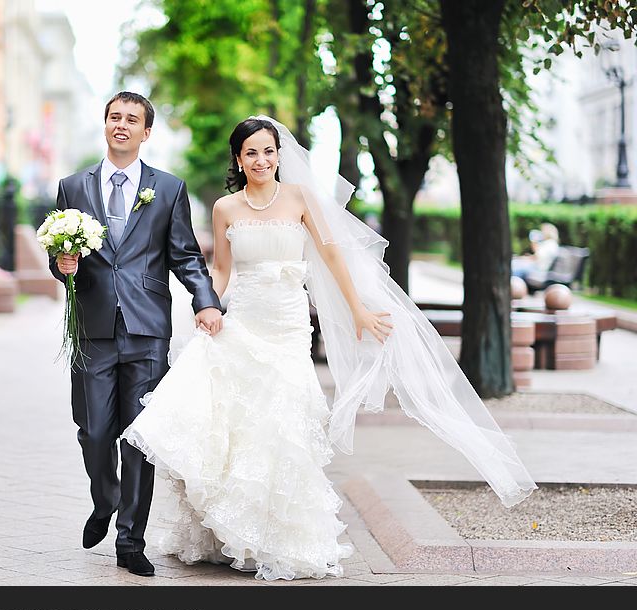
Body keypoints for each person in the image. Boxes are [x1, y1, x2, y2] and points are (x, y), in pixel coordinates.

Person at [121, 116, 537, 581]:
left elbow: (333, 255)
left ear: (279, 155)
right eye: (251, 153)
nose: (261, 160)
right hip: (246, 319)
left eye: (269, 151)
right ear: (238, 159)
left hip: (288, 325)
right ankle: (231, 534)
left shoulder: (300, 199)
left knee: (283, 422)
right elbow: (221, 270)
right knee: (239, 422)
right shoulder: (224, 208)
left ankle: (279, 537)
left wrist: (358, 310)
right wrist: (208, 307)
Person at [49, 92, 223, 577]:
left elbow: (185, 254)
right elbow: (58, 253)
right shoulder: (72, 187)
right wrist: (62, 265)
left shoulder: (167, 189)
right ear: (104, 125)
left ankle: (130, 539)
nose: (121, 125)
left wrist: (205, 300)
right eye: (114, 117)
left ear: (146, 132)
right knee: (94, 431)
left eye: (131, 120)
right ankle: (103, 500)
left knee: (140, 437)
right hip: (93, 326)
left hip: (147, 329)